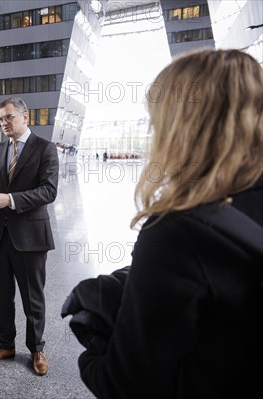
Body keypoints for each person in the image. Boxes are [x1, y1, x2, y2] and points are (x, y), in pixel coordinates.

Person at [70, 49, 263, 398]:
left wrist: (92, 350)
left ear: (182, 127)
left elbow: (126, 384)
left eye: (157, 121)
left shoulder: (178, 230)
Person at [0, 97, 59, 376]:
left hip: (31, 236)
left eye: (8, 117)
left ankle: (36, 348)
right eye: (0, 119)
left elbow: (49, 191)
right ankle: (5, 344)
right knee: (1, 295)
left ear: (25, 117)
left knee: (33, 297)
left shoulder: (45, 148)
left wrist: (10, 199)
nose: (3, 123)